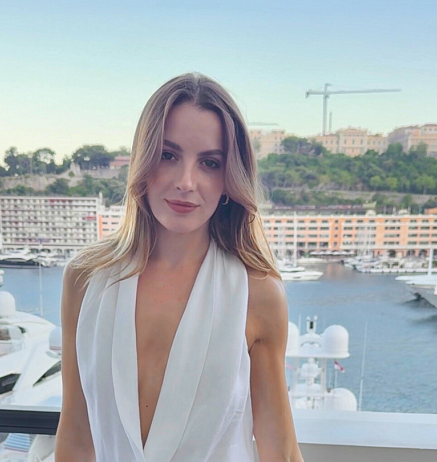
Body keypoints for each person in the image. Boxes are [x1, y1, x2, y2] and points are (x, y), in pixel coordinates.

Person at [55, 72, 304, 462]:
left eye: (210, 163)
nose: (186, 182)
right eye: (168, 155)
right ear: (143, 160)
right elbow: (75, 434)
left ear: (229, 179)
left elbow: (281, 452)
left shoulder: (256, 293)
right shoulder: (85, 278)